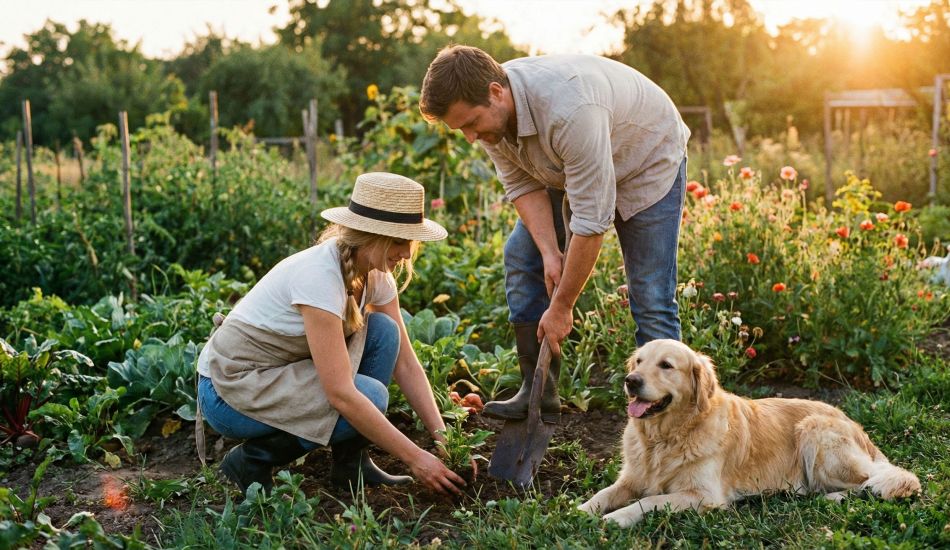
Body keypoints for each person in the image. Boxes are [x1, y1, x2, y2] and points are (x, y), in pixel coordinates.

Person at [419, 46, 690, 422]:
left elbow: (592, 221)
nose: (469, 137)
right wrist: (549, 251)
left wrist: (562, 307)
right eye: (460, 128)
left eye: (471, 123)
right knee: (521, 255)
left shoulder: (569, 109)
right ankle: (538, 389)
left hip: (646, 158)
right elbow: (521, 185)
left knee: (650, 294)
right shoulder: (492, 120)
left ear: (496, 92)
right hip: (572, 164)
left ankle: (673, 420)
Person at [195, 172, 468, 496]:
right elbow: (340, 393)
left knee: (384, 331)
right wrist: (415, 458)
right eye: (399, 241)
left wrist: (443, 438)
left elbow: (406, 364)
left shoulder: (375, 273)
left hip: (277, 374)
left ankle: (352, 466)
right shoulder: (320, 278)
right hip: (230, 390)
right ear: (371, 234)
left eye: (410, 241)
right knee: (369, 396)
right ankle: (252, 460)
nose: (407, 253)